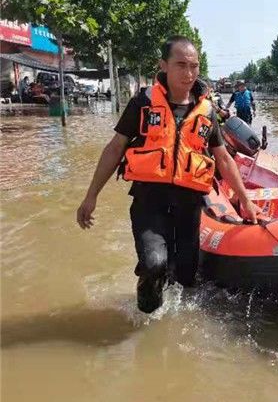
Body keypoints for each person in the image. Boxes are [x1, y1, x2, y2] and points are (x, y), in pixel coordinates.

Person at [76, 36, 260, 314]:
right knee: (154, 264)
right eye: (180, 65)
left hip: (189, 205)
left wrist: (244, 200)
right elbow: (115, 148)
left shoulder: (207, 111)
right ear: (163, 65)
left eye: (194, 66)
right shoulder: (143, 102)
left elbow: (222, 158)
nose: (188, 74)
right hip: (150, 202)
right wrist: (91, 196)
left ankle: (170, 334)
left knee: (186, 276)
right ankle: (146, 313)